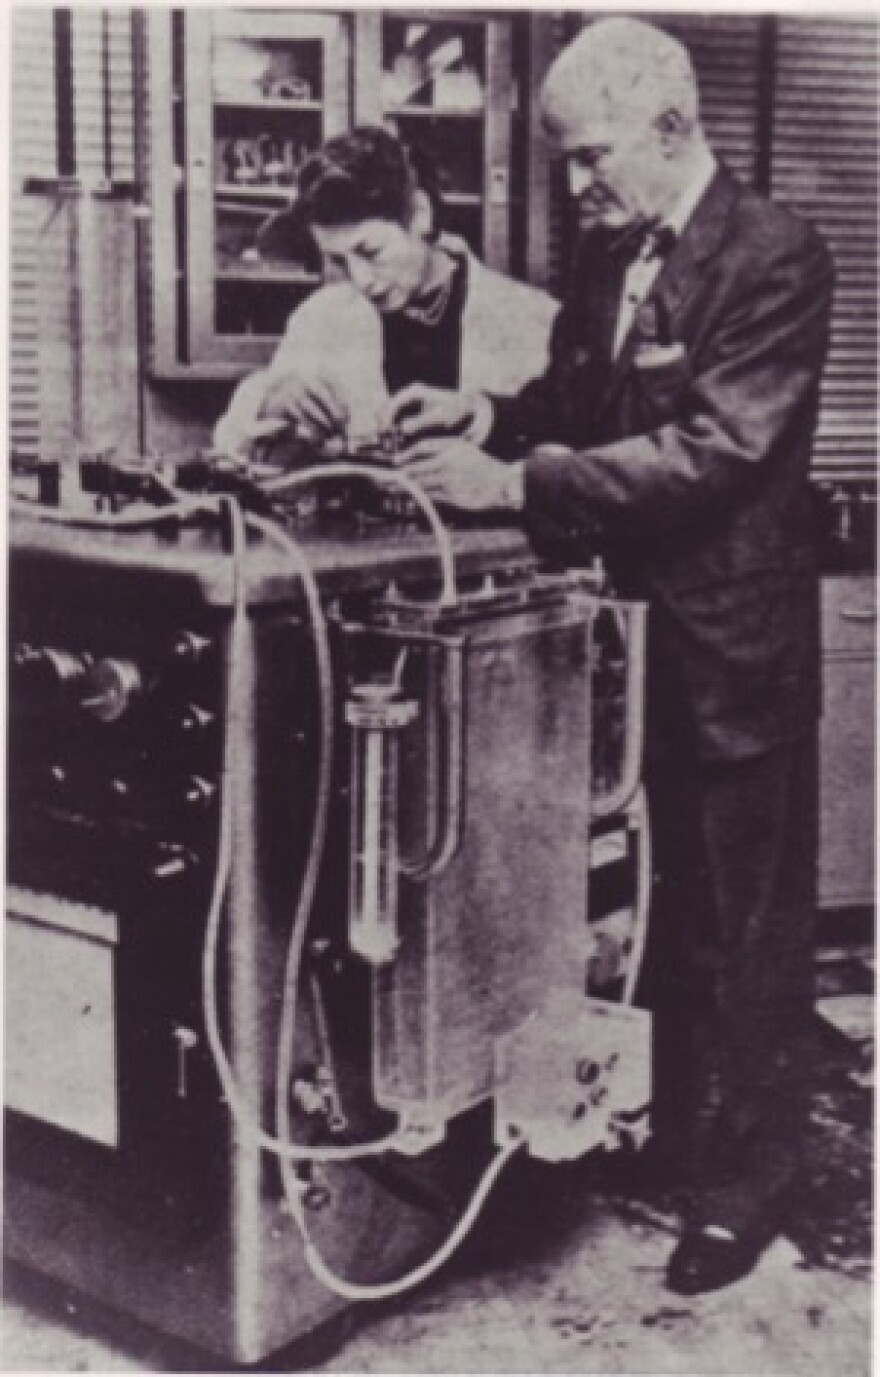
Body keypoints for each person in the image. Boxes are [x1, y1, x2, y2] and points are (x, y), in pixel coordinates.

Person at [387, 17, 834, 1296]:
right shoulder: (602, 261)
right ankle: (663, 1136)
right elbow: (579, 410)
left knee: (740, 927)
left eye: (589, 162)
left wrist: (509, 482)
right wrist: (480, 414)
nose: (575, 191)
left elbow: (712, 453)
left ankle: (743, 1192)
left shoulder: (776, 257)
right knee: (641, 911)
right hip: (617, 652)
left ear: (673, 131)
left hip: (727, 650)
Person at [213, 126, 558, 458]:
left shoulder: (533, 319)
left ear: (420, 216)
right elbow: (230, 448)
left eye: (370, 252)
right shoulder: (321, 318)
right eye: (339, 261)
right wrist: (271, 404)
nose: (362, 281)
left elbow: (562, 464)